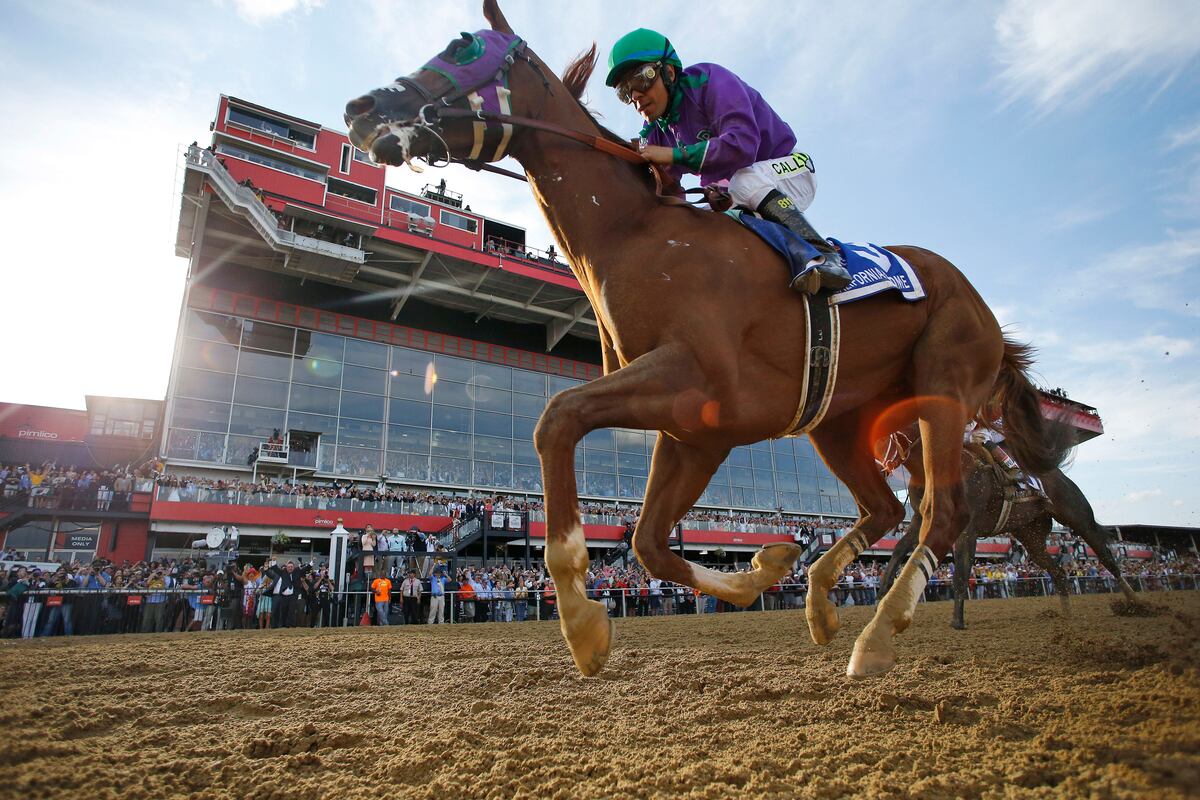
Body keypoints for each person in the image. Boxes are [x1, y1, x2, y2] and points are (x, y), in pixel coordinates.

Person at [605, 28, 850, 294]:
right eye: (625, 92)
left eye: (642, 79)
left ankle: (824, 256)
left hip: (790, 168)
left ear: (669, 72)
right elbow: (671, 195)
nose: (635, 97)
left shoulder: (709, 80)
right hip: (735, 193)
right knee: (698, 226)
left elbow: (744, 144)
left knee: (745, 181)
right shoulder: (653, 131)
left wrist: (672, 155)